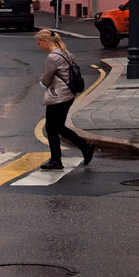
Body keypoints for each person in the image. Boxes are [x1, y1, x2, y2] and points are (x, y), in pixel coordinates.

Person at [35, 28, 95, 171]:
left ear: (45, 41)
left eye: (39, 43)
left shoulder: (52, 57)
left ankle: (56, 160)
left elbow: (46, 78)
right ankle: (85, 147)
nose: (39, 46)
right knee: (59, 127)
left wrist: (43, 83)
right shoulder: (67, 53)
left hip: (58, 96)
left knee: (51, 128)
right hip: (68, 94)